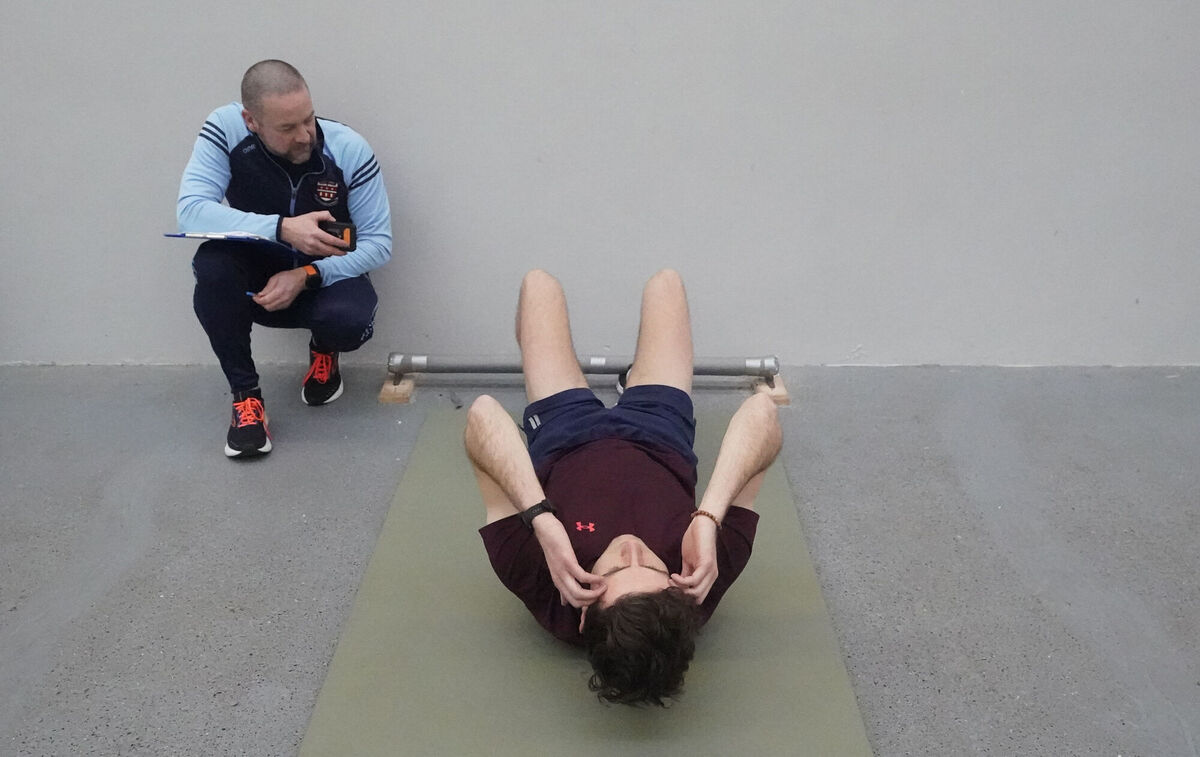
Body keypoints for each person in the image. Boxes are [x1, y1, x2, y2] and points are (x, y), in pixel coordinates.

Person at [465, 269, 782, 706]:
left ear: (582, 615)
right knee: (666, 284)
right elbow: (762, 413)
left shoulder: (546, 584)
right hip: (660, 431)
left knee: (539, 285)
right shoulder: (699, 580)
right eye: (653, 567)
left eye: (614, 570)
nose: (631, 546)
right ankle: (635, 381)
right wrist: (708, 518)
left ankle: (617, 383)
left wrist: (539, 518)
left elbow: (482, 415)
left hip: (564, 432)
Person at [177, 59, 392, 458]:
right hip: (257, 276)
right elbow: (190, 211)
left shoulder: (349, 149)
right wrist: (282, 228)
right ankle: (246, 398)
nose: (305, 136)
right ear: (251, 121)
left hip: (324, 278)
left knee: (350, 321)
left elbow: (379, 245)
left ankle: (324, 350)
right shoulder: (225, 128)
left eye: (308, 119)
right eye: (287, 128)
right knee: (212, 266)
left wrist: (308, 274)